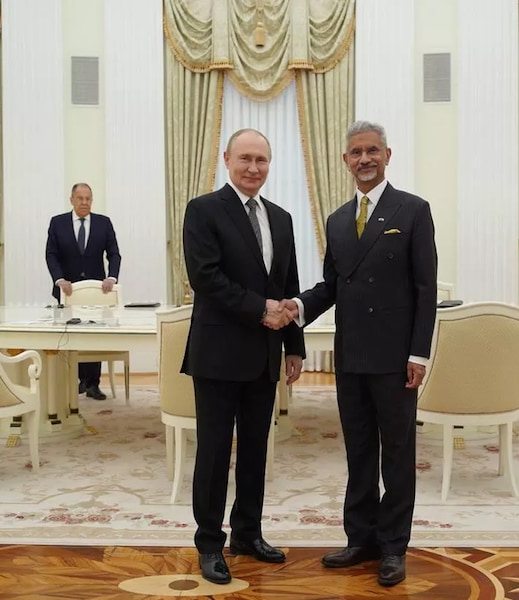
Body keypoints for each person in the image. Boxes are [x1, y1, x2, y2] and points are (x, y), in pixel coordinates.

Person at [283, 120, 437, 587]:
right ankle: (361, 538)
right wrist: (296, 308)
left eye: (373, 150)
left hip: (395, 360)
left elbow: (425, 288)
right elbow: (332, 285)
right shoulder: (335, 220)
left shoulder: (412, 210)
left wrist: (419, 354)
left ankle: (393, 547)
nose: (365, 158)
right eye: (356, 152)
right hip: (350, 356)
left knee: (397, 452)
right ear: (346, 160)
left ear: (387, 156)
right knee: (359, 451)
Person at [181, 128, 305, 585]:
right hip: (217, 355)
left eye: (262, 161)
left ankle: (248, 533)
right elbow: (206, 278)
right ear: (226, 158)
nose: (254, 168)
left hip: (264, 356)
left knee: (256, 450)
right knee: (214, 453)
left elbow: (287, 285)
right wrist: (262, 309)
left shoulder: (282, 218)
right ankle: (210, 543)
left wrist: (294, 346)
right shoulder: (204, 210)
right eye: (246, 159)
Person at [45, 183, 122, 400]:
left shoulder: (103, 223)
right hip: (66, 291)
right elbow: (51, 254)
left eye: (88, 198)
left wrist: (112, 278)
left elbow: (114, 254)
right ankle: (75, 381)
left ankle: (92, 383)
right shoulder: (57, 223)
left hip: (96, 291)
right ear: (71, 199)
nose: (84, 202)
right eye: (80, 198)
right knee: (70, 335)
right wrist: (59, 279)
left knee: (94, 334)